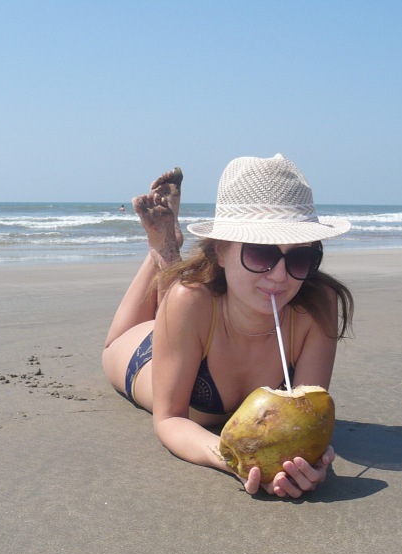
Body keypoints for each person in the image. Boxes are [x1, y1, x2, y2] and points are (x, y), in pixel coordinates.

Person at [102, 154, 354, 498]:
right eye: (261, 254)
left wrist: (313, 463)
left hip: (193, 325)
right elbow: (169, 419)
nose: (280, 276)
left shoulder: (316, 306)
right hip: (143, 354)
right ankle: (162, 251)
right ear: (221, 251)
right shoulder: (191, 300)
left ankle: (169, 256)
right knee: (171, 302)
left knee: (183, 295)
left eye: (300, 257)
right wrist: (235, 461)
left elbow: (308, 420)